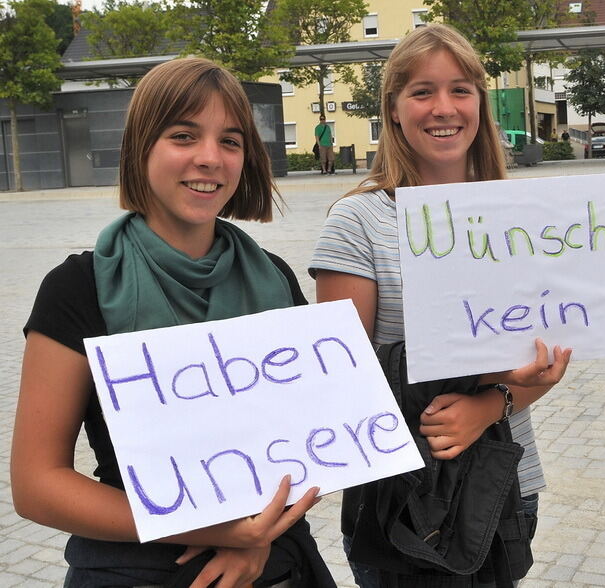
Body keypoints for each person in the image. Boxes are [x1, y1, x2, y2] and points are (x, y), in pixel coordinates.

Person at [11, 57, 336, 588]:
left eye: (230, 141)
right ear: (142, 148)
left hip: (278, 563)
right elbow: (36, 485)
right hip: (131, 567)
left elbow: (318, 447)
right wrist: (222, 531)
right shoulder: (76, 288)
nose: (210, 158)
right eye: (184, 135)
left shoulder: (275, 279)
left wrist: (260, 538)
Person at [309, 23, 571, 586]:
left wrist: (491, 405)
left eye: (460, 89)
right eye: (421, 92)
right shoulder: (358, 222)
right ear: (394, 110)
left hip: (505, 488)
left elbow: (552, 356)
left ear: (480, 102)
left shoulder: (525, 216)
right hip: (405, 499)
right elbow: (344, 379)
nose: (443, 108)